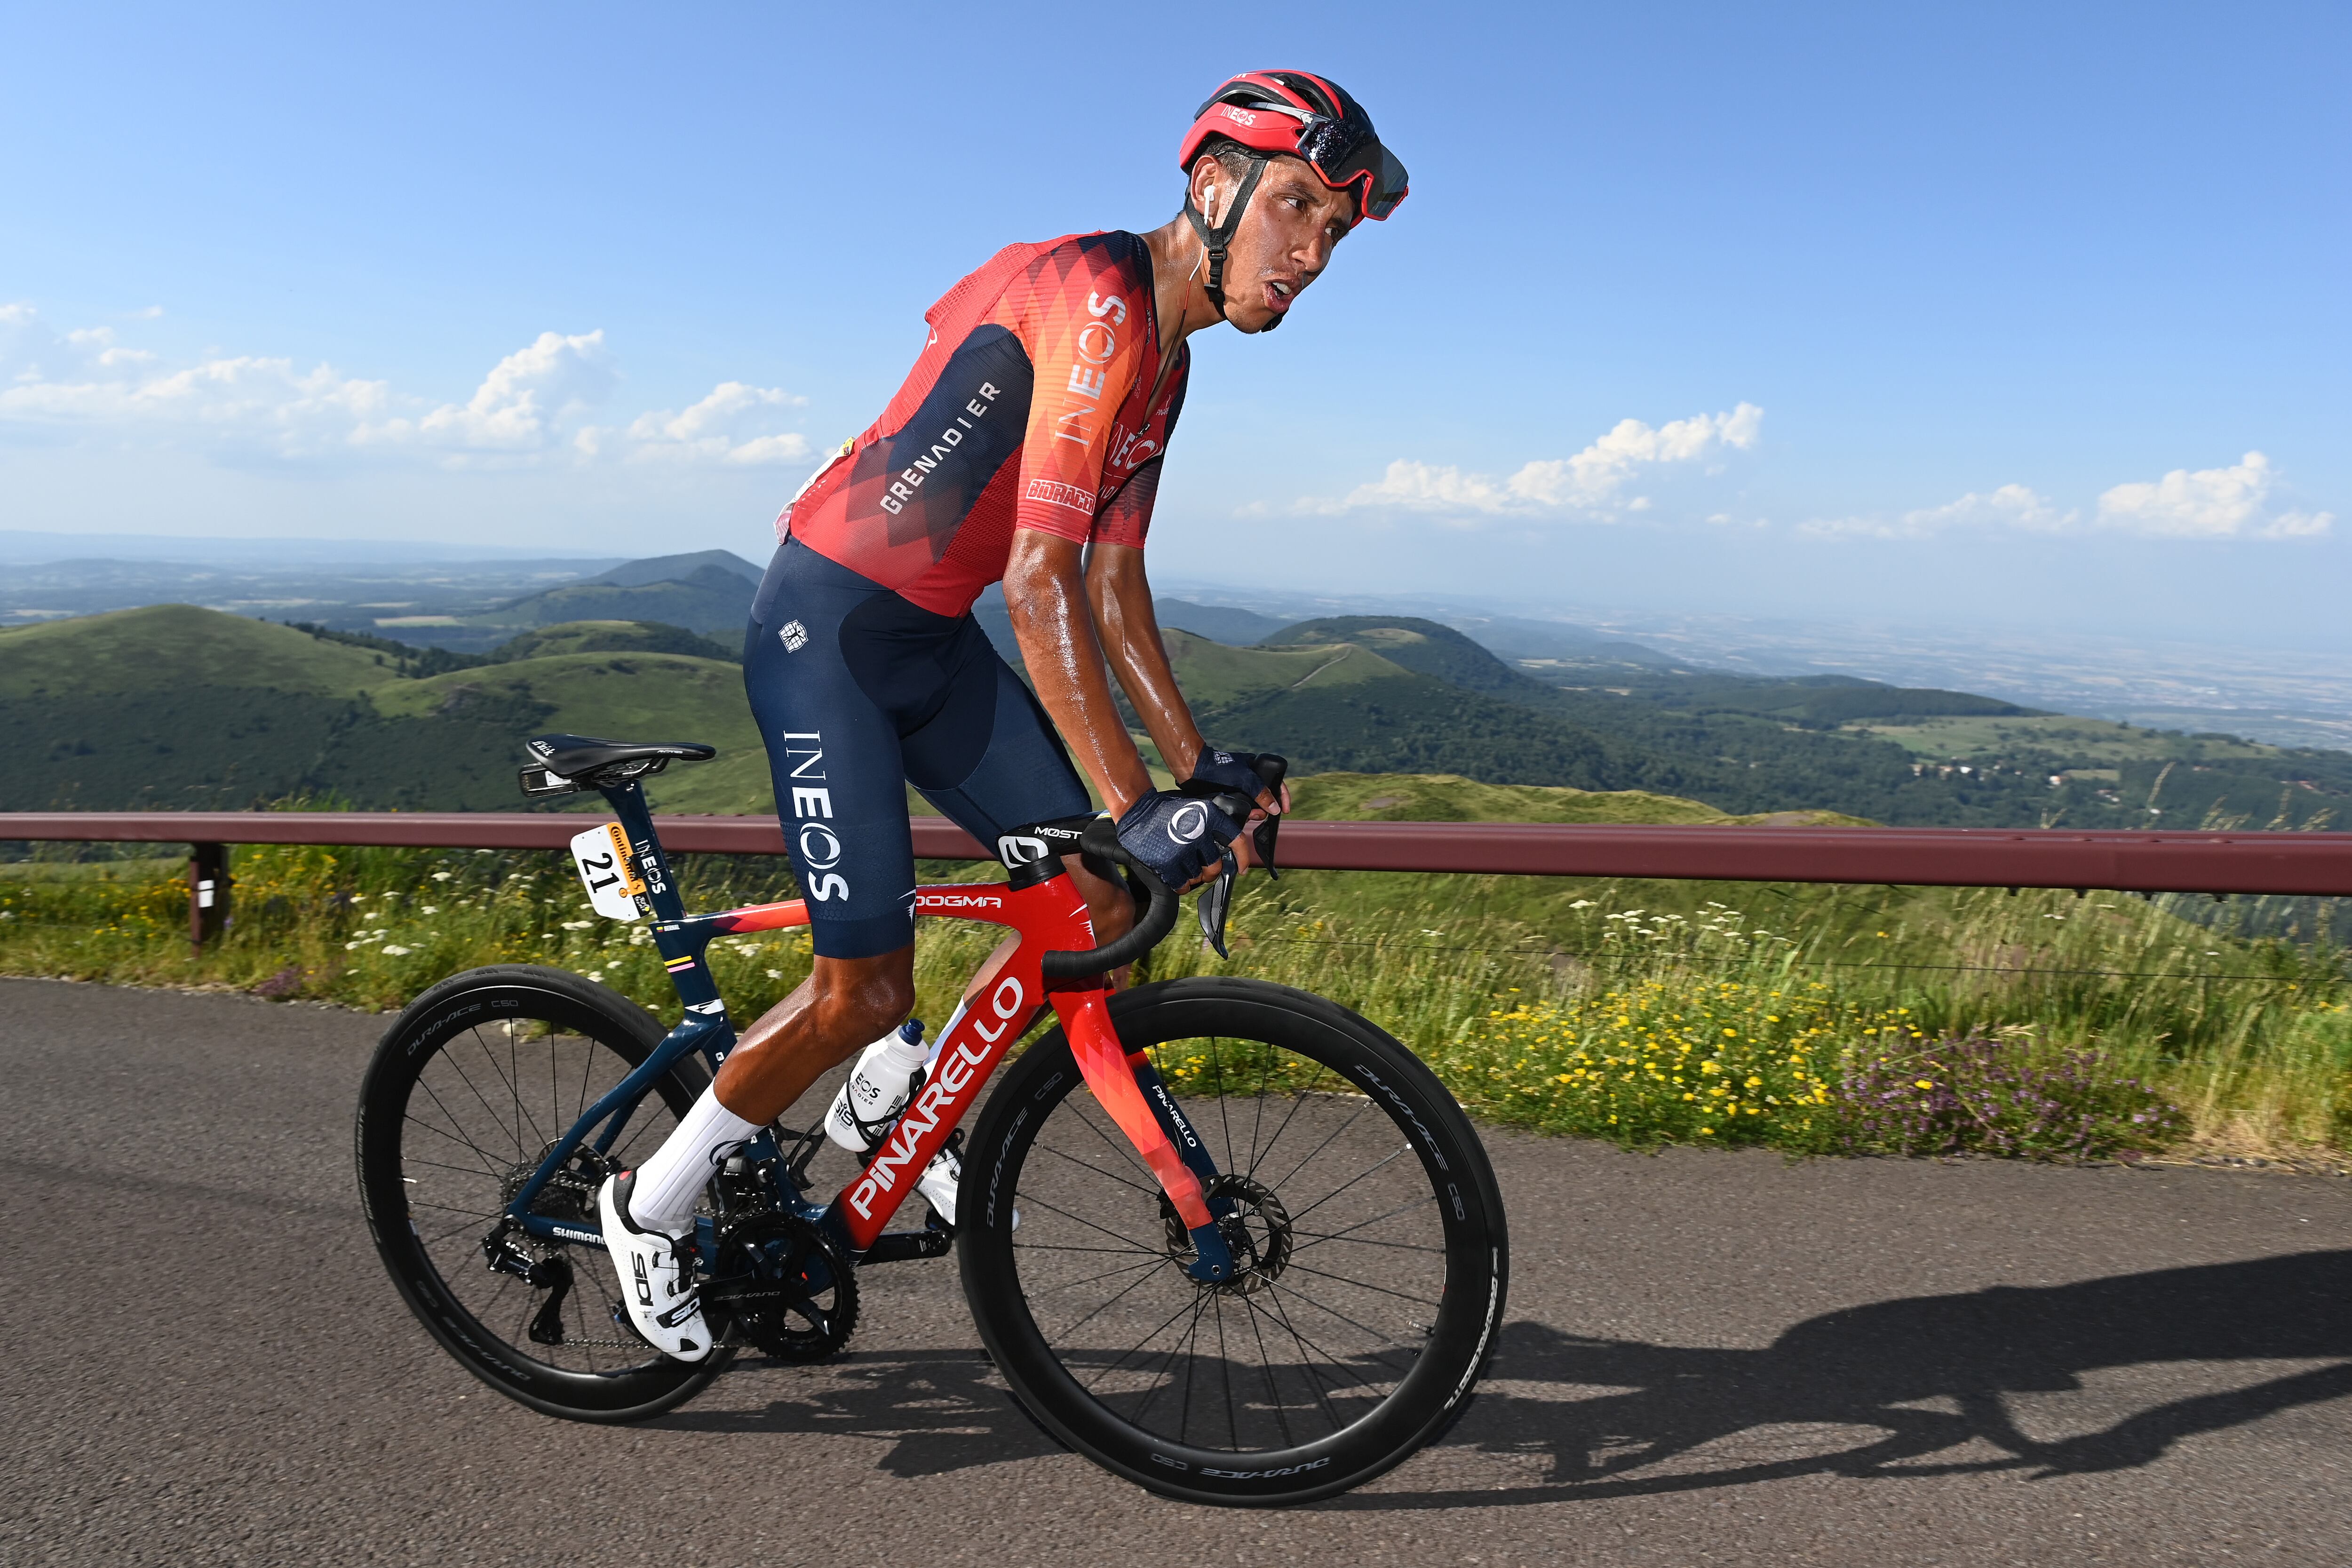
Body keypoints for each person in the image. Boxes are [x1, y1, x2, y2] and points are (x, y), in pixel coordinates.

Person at [598, 70, 1409, 1360]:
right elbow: (1039, 588)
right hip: (830, 637)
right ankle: (652, 1201)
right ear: (1213, 187)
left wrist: (1206, 772)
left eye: (1336, 230)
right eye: (1297, 207)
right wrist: (1137, 808)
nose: (1311, 251)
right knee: (860, 990)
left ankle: (888, 1113)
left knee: (1095, 904)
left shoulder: (1169, 369)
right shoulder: (1099, 296)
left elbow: (1114, 585)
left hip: (928, 645)